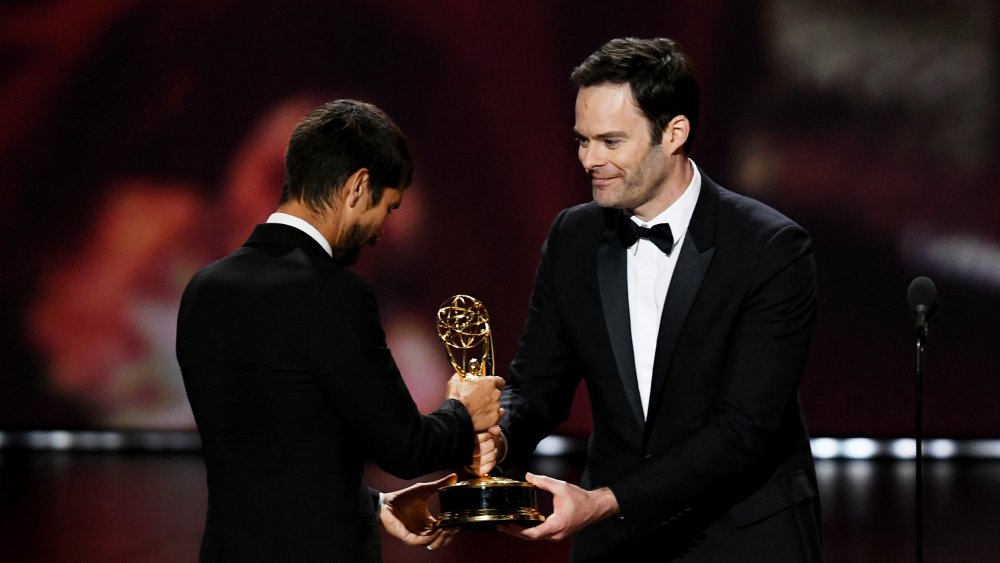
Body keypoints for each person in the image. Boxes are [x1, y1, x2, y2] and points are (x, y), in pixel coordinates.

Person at [474, 37, 823, 561]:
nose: (590, 159)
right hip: (618, 544)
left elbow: (743, 428)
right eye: (582, 140)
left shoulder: (769, 248)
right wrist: (497, 436)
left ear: (675, 132)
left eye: (611, 142)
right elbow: (538, 384)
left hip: (742, 535)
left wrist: (606, 501)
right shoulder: (574, 237)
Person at [176, 99, 505, 562]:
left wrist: (371, 502)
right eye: (386, 209)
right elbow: (407, 449)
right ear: (358, 187)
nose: (378, 233)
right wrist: (464, 409)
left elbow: (272, 456)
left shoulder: (203, 289)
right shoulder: (335, 294)